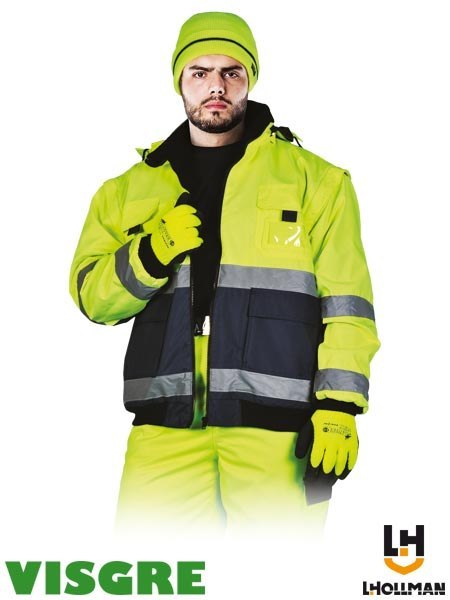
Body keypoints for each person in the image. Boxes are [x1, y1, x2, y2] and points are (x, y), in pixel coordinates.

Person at [69, 11, 380, 537]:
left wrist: (338, 406)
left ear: (250, 78)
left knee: (274, 575)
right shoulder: (126, 191)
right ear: (179, 81)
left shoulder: (318, 182)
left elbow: (348, 304)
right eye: (200, 72)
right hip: (164, 430)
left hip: (276, 432)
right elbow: (92, 299)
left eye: (231, 72)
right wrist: (152, 252)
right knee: (153, 570)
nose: (216, 86)